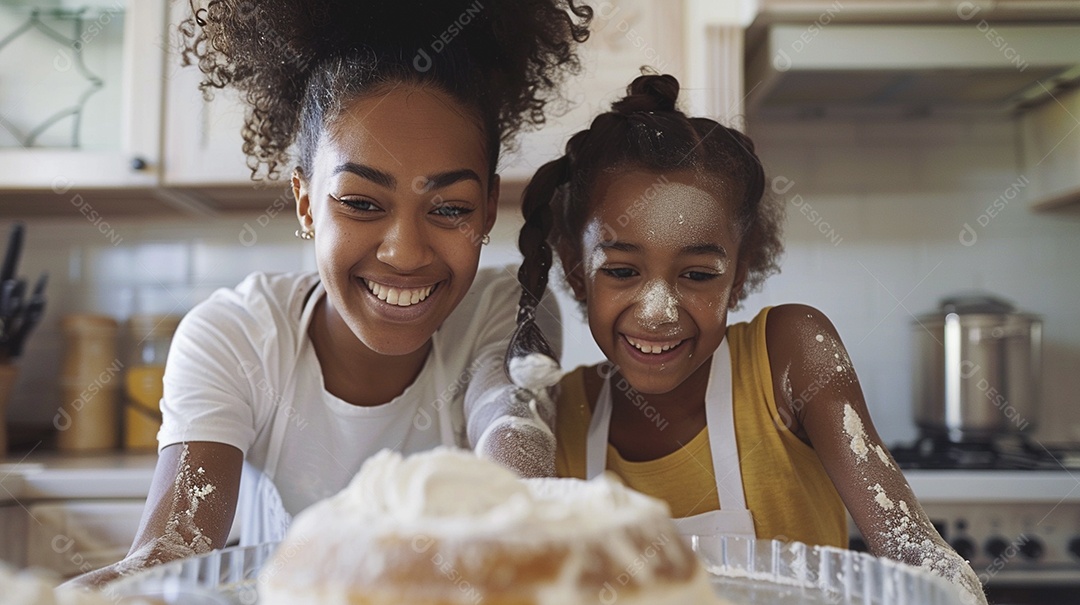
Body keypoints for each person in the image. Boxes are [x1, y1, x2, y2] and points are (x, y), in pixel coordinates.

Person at [65, 0, 591, 588]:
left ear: (489, 209)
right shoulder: (236, 337)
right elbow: (165, 560)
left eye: (450, 209)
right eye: (362, 203)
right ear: (306, 202)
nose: (405, 252)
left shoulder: (508, 307)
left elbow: (515, 454)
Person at [506, 73, 988, 605]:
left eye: (697, 275)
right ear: (577, 272)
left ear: (739, 276)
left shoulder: (789, 355)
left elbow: (917, 553)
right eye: (622, 271)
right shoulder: (559, 415)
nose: (659, 312)